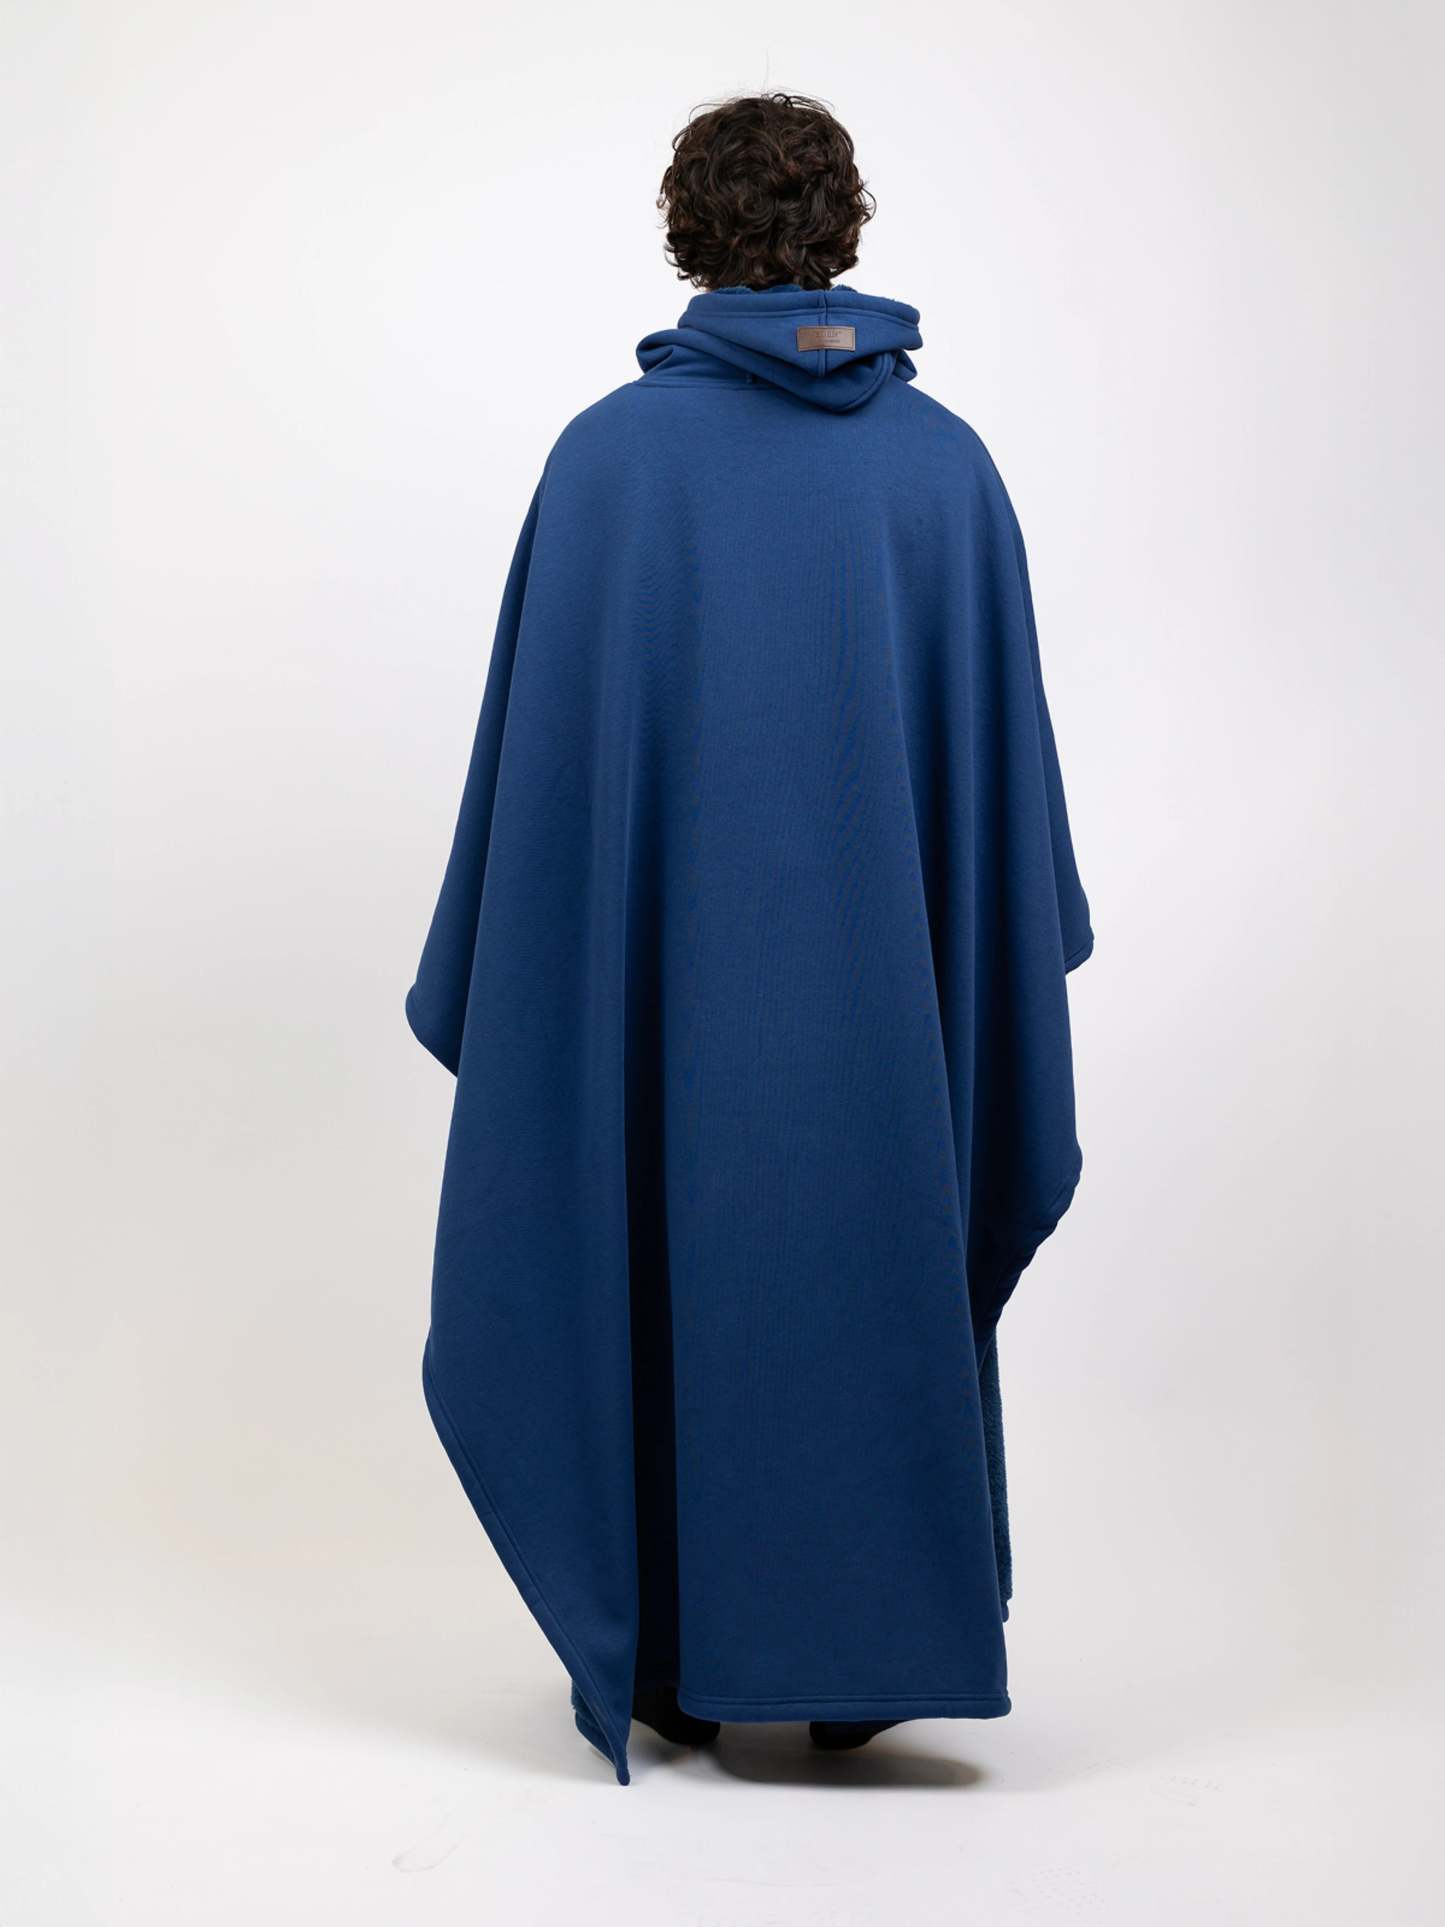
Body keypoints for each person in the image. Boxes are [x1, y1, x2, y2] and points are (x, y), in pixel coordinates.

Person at [405, 92, 1093, 1785]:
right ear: (841, 235)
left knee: (645, 1219)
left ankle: (677, 1657)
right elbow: (1002, 829)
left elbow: (539, 815)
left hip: (667, 1014)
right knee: (873, 1225)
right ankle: (860, 1648)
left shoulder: (609, 466)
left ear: (686, 235)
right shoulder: (942, 473)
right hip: (883, 1036)